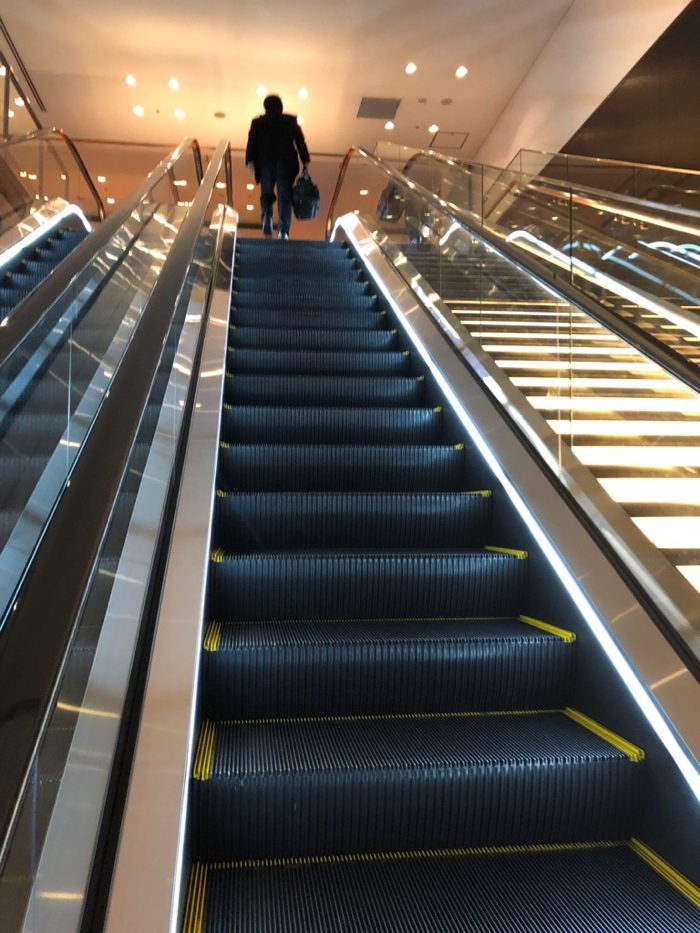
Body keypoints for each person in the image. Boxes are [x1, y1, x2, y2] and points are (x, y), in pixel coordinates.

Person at [245, 94, 310, 240]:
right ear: (281, 107)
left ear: (265, 107)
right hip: (286, 163)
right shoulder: (290, 120)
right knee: (284, 196)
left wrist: (250, 162)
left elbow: (251, 143)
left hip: (265, 164)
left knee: (266, 193)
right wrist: (305, 160)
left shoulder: (257, 122)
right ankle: (283, 231)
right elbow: (300, 142)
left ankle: (267, 216)